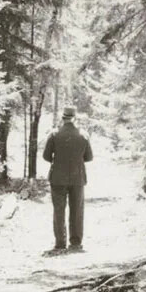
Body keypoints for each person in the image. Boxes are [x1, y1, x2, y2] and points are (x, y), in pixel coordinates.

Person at [42, 107, 93, 255]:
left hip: (58, 178)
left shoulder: (54, 134)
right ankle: (76, 243)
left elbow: (46, 156)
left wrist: (57, 160)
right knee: (77, 210)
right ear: (74, 118)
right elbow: (89, 157)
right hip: (78, 178)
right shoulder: (83, 135)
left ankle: (60, 243)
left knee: (59, 210)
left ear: (63, 118)